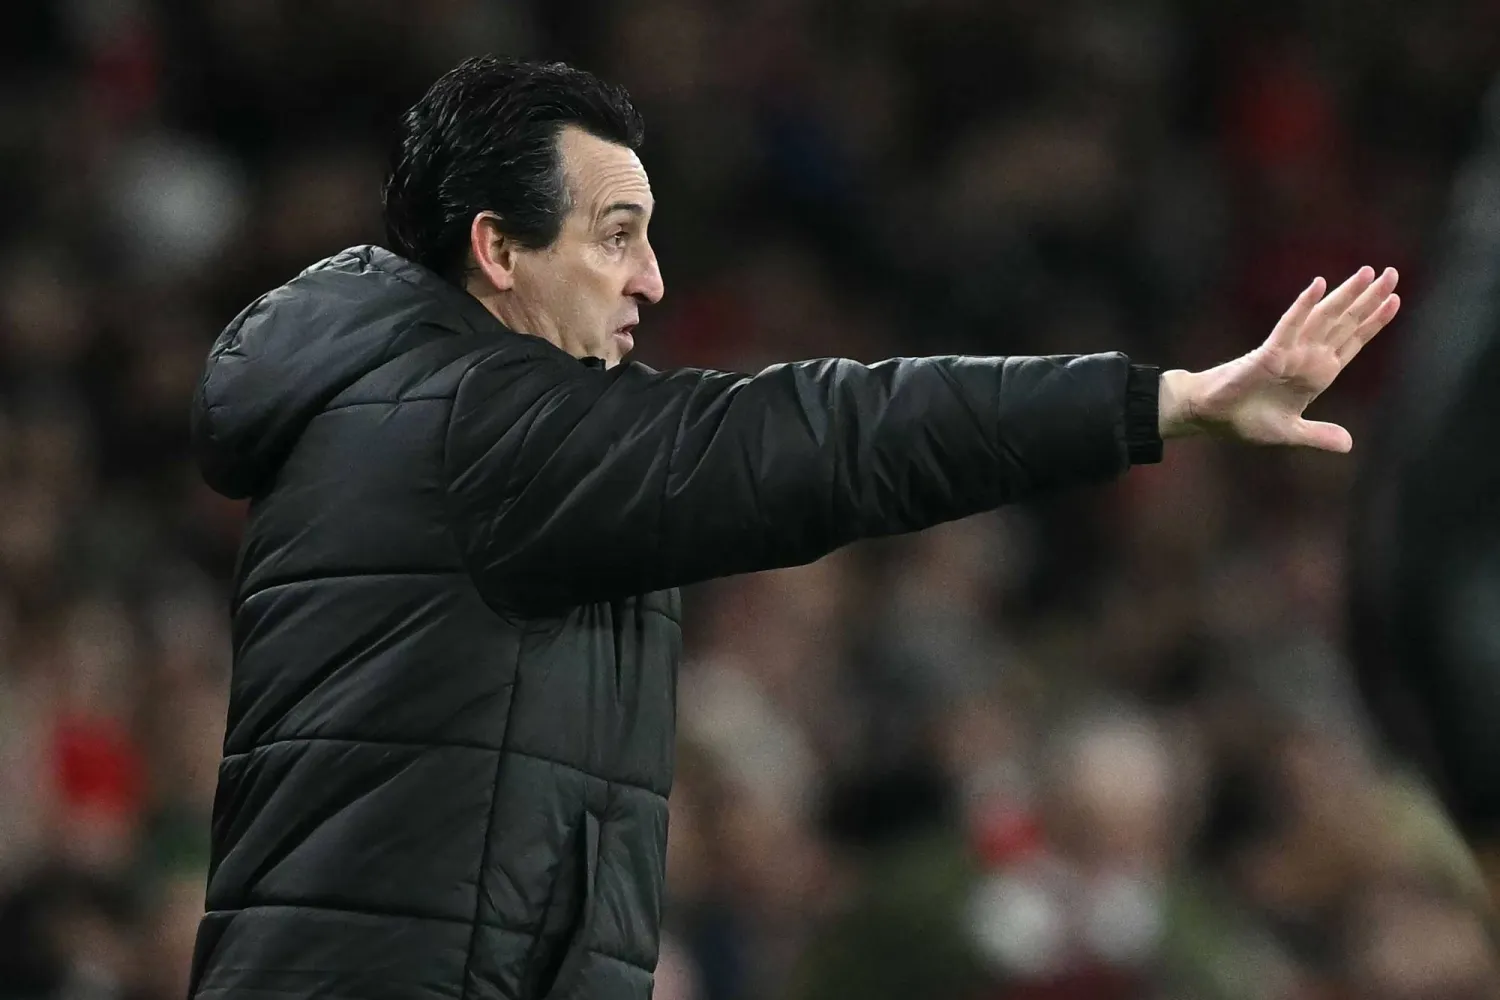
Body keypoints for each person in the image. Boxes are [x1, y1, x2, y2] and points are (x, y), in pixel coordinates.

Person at [185, 57, 1400, 1000]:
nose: (652, 279)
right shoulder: (480, 429)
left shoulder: (401, 413)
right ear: (497, 249)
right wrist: (1160, 402)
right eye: (616, 235)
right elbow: (829, 436)